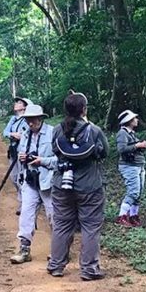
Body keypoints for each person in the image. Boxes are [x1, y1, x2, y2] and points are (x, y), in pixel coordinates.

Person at [47, 92, 107, 281]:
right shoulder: (94, 130)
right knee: (90, 226)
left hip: (62, 185)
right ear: (84, 109)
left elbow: (55, 151)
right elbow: (104, 152)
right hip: (89, 186)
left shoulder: (57, 130)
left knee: (62, 225)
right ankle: (89, 269)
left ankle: (56, 265)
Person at [11, 103, 57, 264]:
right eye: (28, 120)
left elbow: (61, 159)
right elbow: (20, 154)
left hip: (48, 182)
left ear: (41, 118)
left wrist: (42, 161)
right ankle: (24, 249)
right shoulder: (25, 135)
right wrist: (22, 157)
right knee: (26, 214)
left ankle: (59, 250)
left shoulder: (53, 133)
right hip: (30, 180)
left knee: (54, 216)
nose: (30, 123)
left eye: (33, 119)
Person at [115, 109, 146, 227]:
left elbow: (132, 147)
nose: (136, 120)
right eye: (134, 118)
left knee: (138, 193)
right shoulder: (122, 133)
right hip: (129, 166)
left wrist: (140, 146)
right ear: (128, 121)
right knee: (133, 191)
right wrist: (137, 145)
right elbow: (122, 149)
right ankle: (122, 216)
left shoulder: (131, 133)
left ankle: (133, 215)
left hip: (139, 165)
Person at [2, 97, 31, 207]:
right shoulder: (13, 119)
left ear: (25, 107)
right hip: (13, 152)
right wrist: (13, 134)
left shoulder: (28, 119)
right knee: (14, 177)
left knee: (21, 177)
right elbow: (5, 132)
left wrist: (21, 136)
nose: (16, 104)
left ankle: (23, 202)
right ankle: (21, 197)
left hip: (22, 152)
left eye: (19, 103)